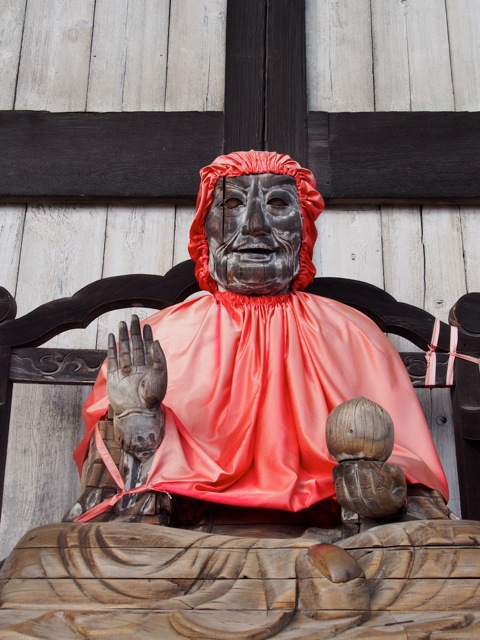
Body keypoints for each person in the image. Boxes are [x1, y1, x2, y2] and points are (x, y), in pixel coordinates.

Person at [72, 150, 448, 525]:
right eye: (232, 204)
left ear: (304, 228)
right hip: (187, 530)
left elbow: (407, 474)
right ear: (205, 230)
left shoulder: (351, 334)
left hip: (330, 531)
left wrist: (375, 486)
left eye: (278, 204)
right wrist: (139, 426)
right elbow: (109, 489)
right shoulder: (160, 340)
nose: (255, 225)